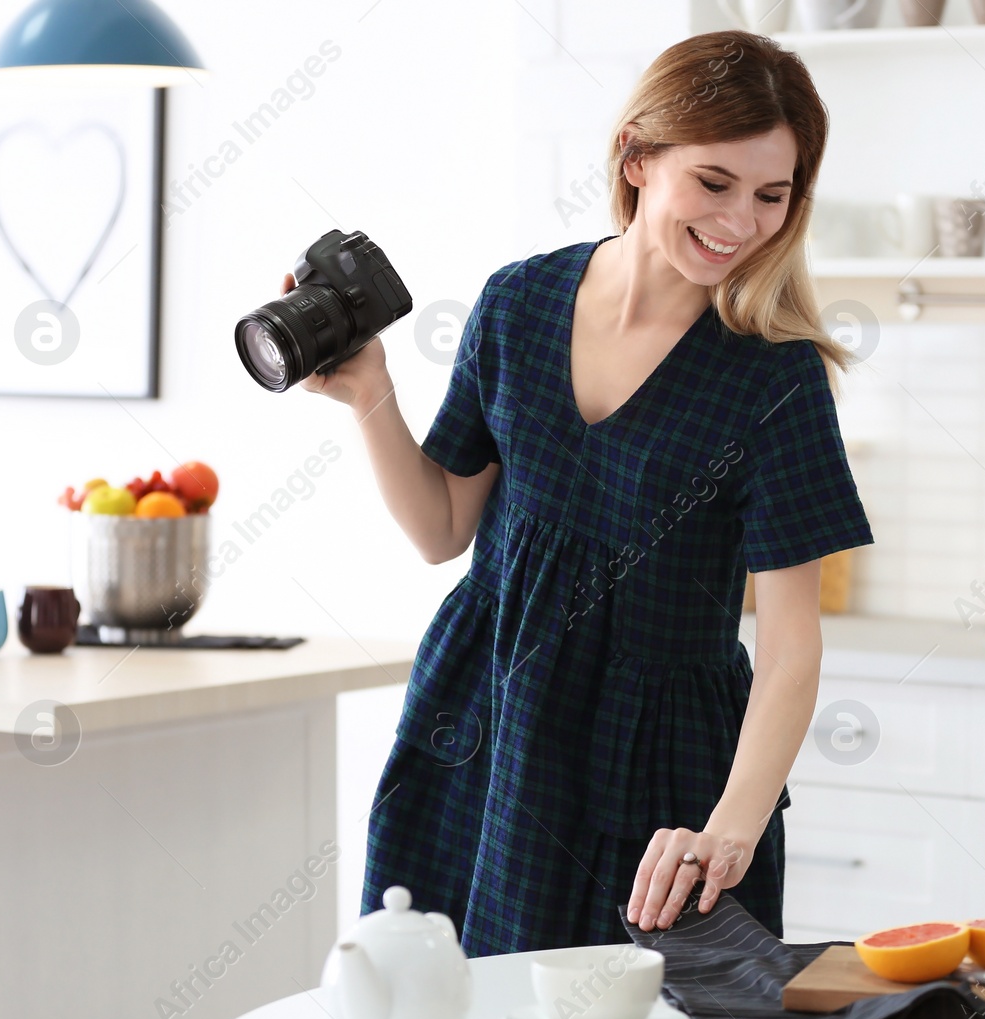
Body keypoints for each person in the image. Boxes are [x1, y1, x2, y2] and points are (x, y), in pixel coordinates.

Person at [296, 29, 873, 956]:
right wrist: (369, 392)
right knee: (441, 1017)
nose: (742, 220)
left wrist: (730, 829)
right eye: (715, 183)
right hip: (483, 717)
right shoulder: (519, 301)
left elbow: (793, 646)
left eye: (773, 195)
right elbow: (442, 527)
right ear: (637, 157)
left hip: (656, 765)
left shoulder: (775, 378)